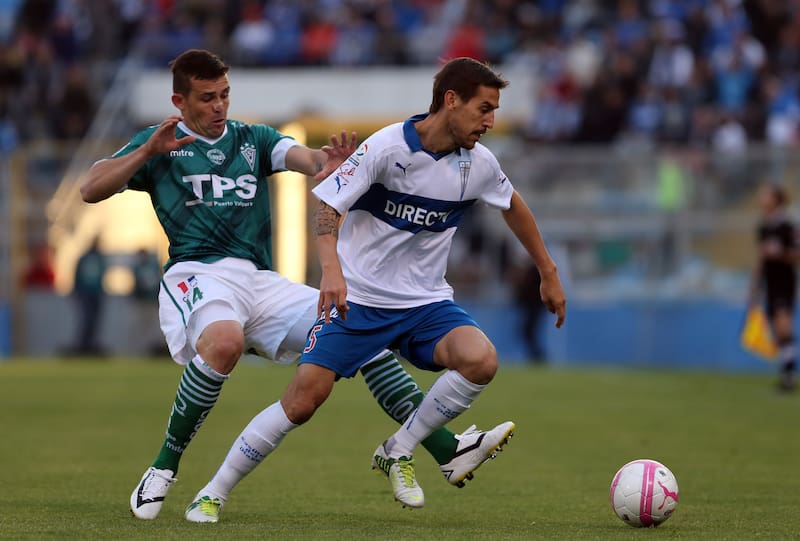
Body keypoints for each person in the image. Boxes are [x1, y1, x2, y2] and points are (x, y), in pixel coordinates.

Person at [79, 49, 512, 521]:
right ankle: (165, 466)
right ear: (179, 101)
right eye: (207, 98)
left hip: (261, 281)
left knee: (360, 327)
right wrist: (146, 152)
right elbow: (90, 188)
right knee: (224, 343)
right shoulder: (159, 143)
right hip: (197, 273)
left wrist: (330, 166)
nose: (219, 106)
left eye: (224, 95)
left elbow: (302, 157)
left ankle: (445, 448)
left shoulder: (251, 139)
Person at [185, 57, 566, 522]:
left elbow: (514, 206)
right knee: (303, 401)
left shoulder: (479, 164)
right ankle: (213, 492)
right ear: (451, 101)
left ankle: (398, 449)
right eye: (483, 108)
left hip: (425, 304)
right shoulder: (386, 147)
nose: (490, 121)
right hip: (359, 301)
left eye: (493, 110)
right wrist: (332, 271)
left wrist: (547, 270)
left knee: (481, 359)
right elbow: (327, 206)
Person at [749, 183, 799, 391]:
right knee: (778, 331)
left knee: (783, 326)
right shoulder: (763, 227)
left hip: (784, 281)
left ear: (776, 199)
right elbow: (761, 257)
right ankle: (787, 371)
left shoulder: (787, 226)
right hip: (769, 283)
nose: (762, 199)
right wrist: (754, 284)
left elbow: (797, 255)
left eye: (766, 195)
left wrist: (781, 254)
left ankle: (788, 376)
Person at [70, 236, 108, 355]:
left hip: (95, 294)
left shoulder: (99, 259)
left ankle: (90, 343)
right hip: (86, 294)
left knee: (94, 320)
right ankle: (84, 344)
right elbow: (77, 276)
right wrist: (76, 291)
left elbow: (102, 277)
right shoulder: (85, 258)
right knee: (87, 319)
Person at [130, 248, 165, 355]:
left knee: (153, 327)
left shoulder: (153, 266)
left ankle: (152, 349)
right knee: (140, 326)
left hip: (152, 301)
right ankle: (138, 350)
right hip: (142, 301)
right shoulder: (137, 268)